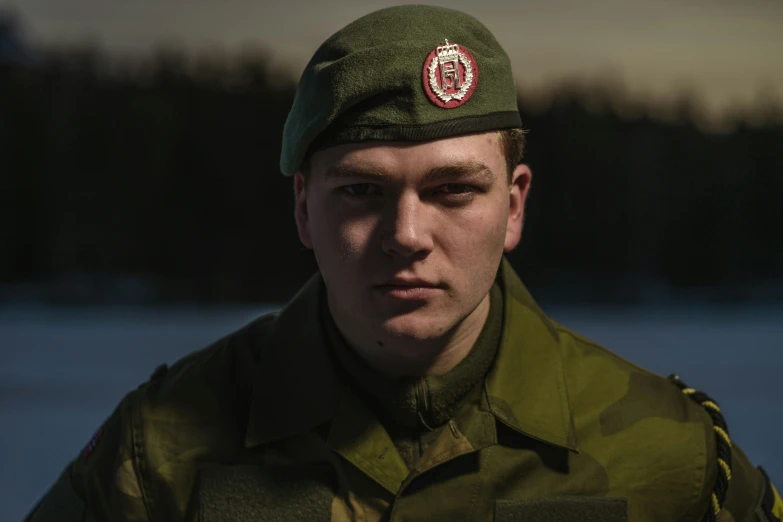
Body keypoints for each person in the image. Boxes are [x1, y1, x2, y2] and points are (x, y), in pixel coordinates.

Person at [24, 5, 781, 522]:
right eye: (361, 190)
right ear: (301, 208)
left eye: (453, 190)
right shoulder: (160, 450)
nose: (406, 234)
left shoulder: (663, 449)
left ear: (513, 206)